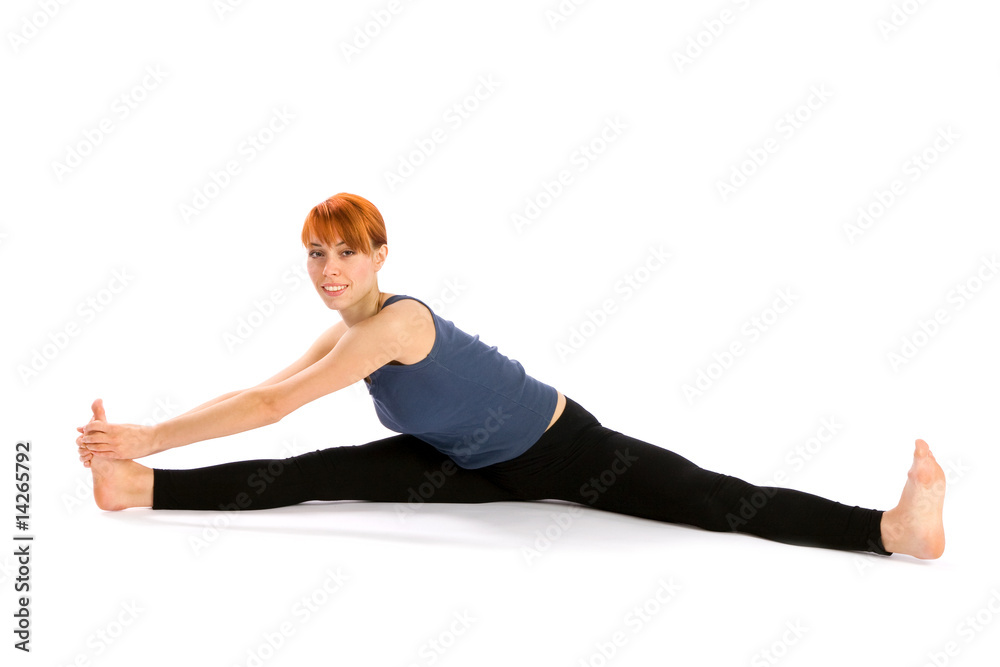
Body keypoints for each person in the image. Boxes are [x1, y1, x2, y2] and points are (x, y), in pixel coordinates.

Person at [75, 193, 946, 559]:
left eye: (346, 251)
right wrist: (144, 443)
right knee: (315, 475)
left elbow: (272, 404)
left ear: (382, 254)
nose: (329, 267)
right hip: (465, 457)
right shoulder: (347, 329)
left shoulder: (397, 322)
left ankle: (890, 532)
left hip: (565, 450)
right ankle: (135, 487)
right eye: (315, 253)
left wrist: (152, 423)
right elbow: (262, 391)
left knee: (715, 499)